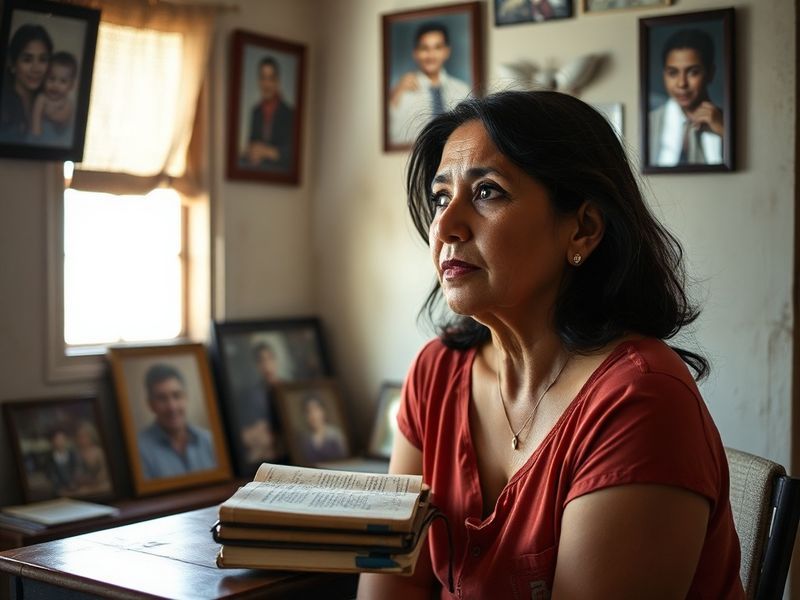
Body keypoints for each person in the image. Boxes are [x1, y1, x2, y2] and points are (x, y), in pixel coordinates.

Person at [358, 91, 744, 599]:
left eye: (488, 192)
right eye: (440, 197)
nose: (446, 227)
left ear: (582, 228)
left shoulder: (640, 401)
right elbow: (388, 589)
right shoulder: (437, 372)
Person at [649, 28, 724, 167]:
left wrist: (724, 132)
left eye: (693, 72)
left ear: (710, 73)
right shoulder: (650, 123)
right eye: (672, 73)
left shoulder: (726, 125)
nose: (682, 83)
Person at [389, 22, 472, 146]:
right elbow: (393, 137)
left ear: (447, 52)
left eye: (437, 47)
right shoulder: (401, 92)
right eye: (424, 48)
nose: (431, 55)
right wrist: (395, 96)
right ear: (415, 53)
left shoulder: (464, 90)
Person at [137, 363, 217, 479]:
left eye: (177, 395)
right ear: (150, 404)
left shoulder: (209, 441)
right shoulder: (140, 450)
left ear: (186, 397)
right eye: (162, 398)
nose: (172, 407)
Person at [0, 24, 52, 142]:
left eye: (43, 59)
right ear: (12, 64)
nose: (36, 68)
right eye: (27, 59)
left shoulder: (51, 105)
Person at [242, 56, 294, 171]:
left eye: (270, 78)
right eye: (263, 78)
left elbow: (291, 153)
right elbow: (252, 142)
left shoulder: (289, 113)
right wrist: (251, 151)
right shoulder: (256, 112)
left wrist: (266, 152)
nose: (266, 84)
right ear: (259, 81)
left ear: (277, 81)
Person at [239, 342, 283, 465]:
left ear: (276, 361)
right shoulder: (252, 395)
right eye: (261, 361)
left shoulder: (288, 390)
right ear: (257, 365)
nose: (267, 365)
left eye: (270, 359)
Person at [30, 51, 78, 146]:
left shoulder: (67, 102)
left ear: (71, 85)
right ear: (44, 79)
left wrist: (49, 113)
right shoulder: (42, 98)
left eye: (63, 81)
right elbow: (36, 117)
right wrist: (36, 135)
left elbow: (63, 117)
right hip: (41, 136)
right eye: (51, 79)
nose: (55, 85)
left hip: (60, 137)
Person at [299, 394, 347, 463]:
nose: (313, 415)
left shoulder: (335, 434)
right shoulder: (305, 440)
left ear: (323, 411)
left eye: (316, 409)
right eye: (308, 411)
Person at [73, 421, 112, 495]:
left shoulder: (99, 452)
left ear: (91, 436)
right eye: (80, 437)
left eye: (85, 436)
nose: (82, 440)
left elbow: (104, 471)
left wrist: (97, 481)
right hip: (84, 486)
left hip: (100, 484)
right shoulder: (77, 454)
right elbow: (77, 474)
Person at [44, 427, 78, 496]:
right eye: (57, 439)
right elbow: (50, 476)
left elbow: (77, 471)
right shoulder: (49, 459)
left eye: (62, 439)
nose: (60, 442)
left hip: (75, 488)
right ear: (52, 441)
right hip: (59, 491)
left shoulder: (72, 455)